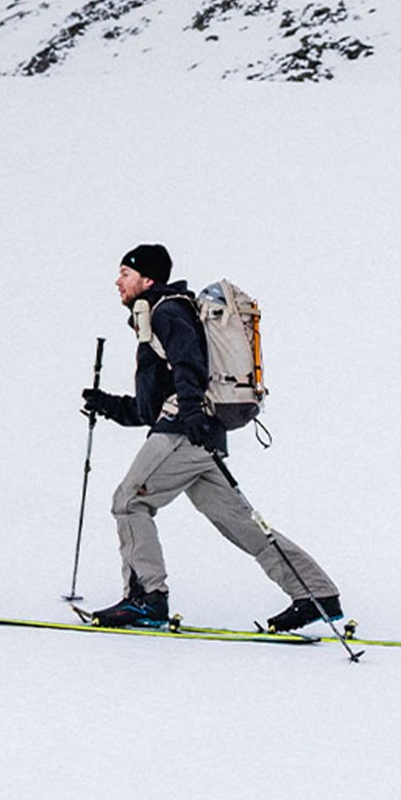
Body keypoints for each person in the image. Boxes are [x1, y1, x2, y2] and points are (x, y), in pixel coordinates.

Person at [80, 243, 341, 632]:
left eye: (125, 273)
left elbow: (190, 366)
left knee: (128, 502)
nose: (117, 281)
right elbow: (151, 407)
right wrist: (108, 405)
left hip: (184, 432)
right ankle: (316, 593)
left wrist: (188, 415)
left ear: (147, 279)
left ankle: (146, 599)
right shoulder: (156, 317)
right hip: (199, 434)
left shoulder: (166, 310)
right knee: (239, 523)